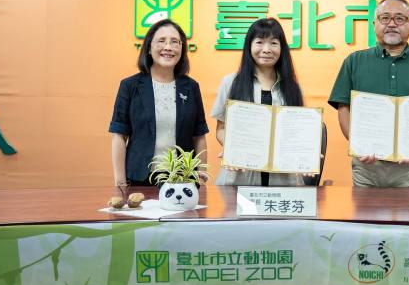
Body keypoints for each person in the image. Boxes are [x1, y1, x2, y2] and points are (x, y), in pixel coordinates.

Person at [329, 0, 409, 188]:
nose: (392, 24)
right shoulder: (354, 62)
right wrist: (359, 145)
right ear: (374, 24)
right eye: (385, 18)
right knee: (363, 218)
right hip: (367, 167)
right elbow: (343, 108)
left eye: (400, 18)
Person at [109, 19, 209, 187]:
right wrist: (120, 181)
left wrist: (201, 176)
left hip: (182, 180)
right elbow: (119, 135)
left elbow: (199, 136)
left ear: (182, 49)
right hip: (139, 179)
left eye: (175, 42)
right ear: (149, 47)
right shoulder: (130, 86)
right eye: (161, 41)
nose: (168, 47)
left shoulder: (191, 87)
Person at [211, 17, 306, 186]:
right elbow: (221, 128)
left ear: (282, 48)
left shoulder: (293, 88)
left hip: (282, 179)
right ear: (249, 46)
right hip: (240, 174)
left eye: (274, 43)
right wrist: (231, 147)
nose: (266, 49)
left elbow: (296, 133)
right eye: (260, 42)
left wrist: (305, 152)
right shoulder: (231, 82)